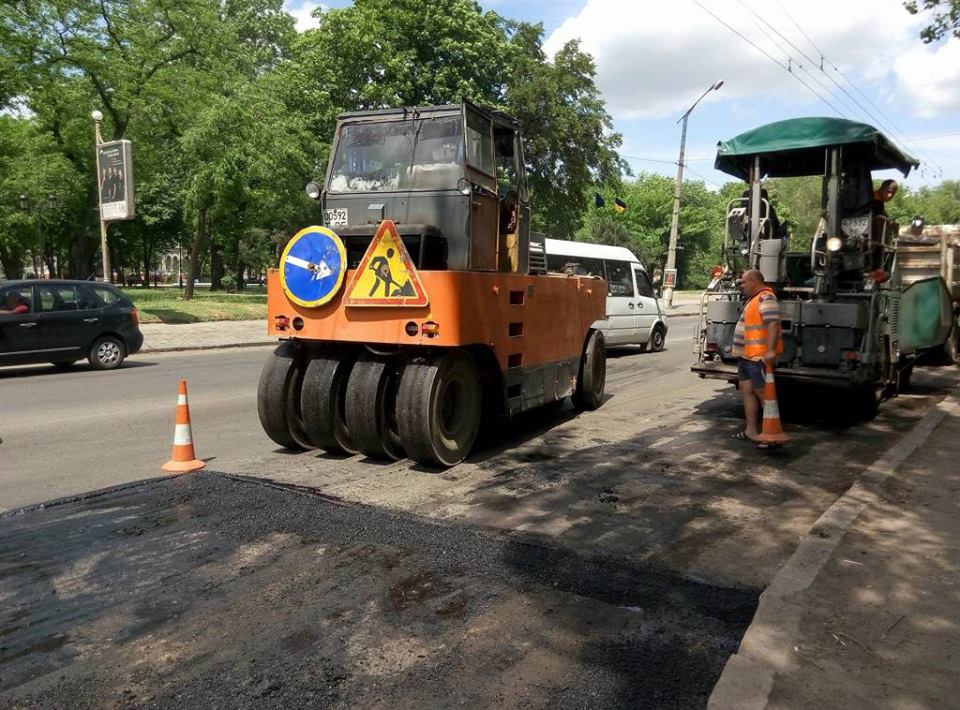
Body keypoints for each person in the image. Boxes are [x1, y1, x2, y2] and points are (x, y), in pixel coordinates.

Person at [731, 269, 783, 448]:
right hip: (747, 356)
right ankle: (751, 431)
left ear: (754, 281)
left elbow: (773, 323)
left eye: (743, 282)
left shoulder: (766, 297)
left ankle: (772, 436)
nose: (741, 285)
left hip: (758, 357)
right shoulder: (754, 300)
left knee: (764, 394)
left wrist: (769, 351)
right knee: (747, 392)